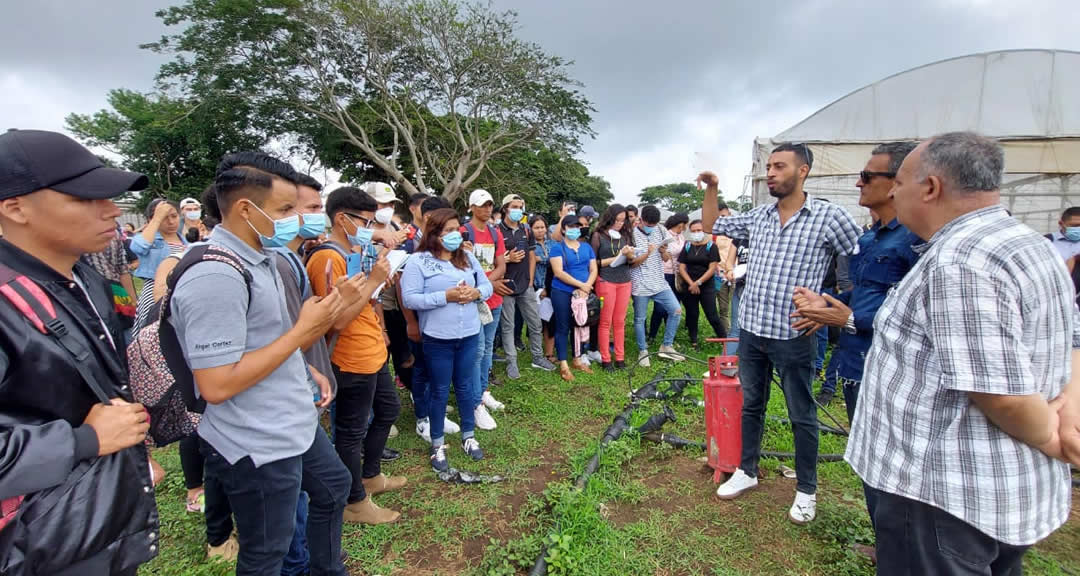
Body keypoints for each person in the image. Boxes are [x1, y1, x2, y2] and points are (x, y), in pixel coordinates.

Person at [840, 132, 1080, 573]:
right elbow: (1073, 337)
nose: (893, 191)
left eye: (901, 182)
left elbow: (999, 392)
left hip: (942, 495)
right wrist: (1070, 406)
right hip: (997, 490)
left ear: (930, 188)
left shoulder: (960, 262)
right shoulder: (1030, 244)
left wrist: (1054, 438)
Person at [0, 129, 157, 576]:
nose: (111, 210)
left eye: (109, 196)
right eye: (84, 198)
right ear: (15, 208)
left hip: (93, 522)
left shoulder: (85, 276)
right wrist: (84, 442)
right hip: (37, 543)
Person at [701, 142, 861, 525]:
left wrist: (829, 309)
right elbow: (711, 226)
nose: (770, 173)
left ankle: (807, 489)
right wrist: (711, 187)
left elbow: (862, 262)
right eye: (768, 166)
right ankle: (747, 470)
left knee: (801, 413)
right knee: (751, 404)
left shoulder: (829, 217)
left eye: (779, 166)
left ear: (802, 171)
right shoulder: (759, 216)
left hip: (794, 334)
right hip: (753, 330)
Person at [790, 142, 920, 545]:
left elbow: (918, 315)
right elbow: (862, 292)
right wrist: (826, 305)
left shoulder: (917, 242)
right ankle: (887, 544)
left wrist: (846, 318)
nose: (858, 182)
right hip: (855, 365)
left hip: (893, 370)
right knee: (869, 459)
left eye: (867, 176)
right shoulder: (870, 239)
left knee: (898, 465)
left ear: (900, 183)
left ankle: (905, 551)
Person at [306, 186, 404, 526]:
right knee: (350, 431)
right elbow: (337, 320)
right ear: (341, 219)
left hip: (371, 350)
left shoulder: (352, 250)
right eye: (365, 221)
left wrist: (377, 285)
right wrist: (373, 280)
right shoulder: (326, 258)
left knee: (389, 408)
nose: (371, 228)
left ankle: (370, 475)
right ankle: (354, 501)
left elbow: (362, 301)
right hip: (350, 357)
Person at [401, 207, 491, 471]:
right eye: (448, 231)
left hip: (469, 334)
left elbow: (486, 286)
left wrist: (475, 293)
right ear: (435, 233)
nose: (455, 235)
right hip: (438, 338)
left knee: (465, 388)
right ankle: (437, 443)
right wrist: (445, 297)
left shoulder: (467, 259)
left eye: (457, 230)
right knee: (439, 390)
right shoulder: (419, 262)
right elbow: (410, 298)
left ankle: (468, 436)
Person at [400, 196, 462, 442]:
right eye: (447, 226)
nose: (453, 231)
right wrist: (411, 322)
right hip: (417, 317)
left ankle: (436, 413)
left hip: (440, 319)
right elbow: (400, 288)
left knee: (439, 371)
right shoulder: (410, 244)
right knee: (422, 368)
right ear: (430, 219)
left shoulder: (444, 248)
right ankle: (422, 419)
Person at [461, 189, 507, 430]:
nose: (488, 209)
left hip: (493, 299)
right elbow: (458, 266)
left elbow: (501, 264)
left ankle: (483, 389)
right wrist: (484, 286)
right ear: (471, 207)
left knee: (488, 348)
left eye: (490, 204)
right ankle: (474, 402)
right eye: (482, 205)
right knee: (476, 350)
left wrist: (488, 284)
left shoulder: (495, 232)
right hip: (474, 301)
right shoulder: (462, 232)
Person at [498, 194, 557, 378]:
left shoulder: (526, 230)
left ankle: (537, 357)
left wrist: (530, 280)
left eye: (520, 206)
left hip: (526, 285)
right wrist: (507, 259)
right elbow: (491, 259)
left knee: (535, 323)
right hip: (505, 285)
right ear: (505, 208)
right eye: (514, 206)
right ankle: (511, 363)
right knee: (508, 326)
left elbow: (532, 256)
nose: (518, 210)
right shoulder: (497, 231)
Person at [631, 205, 684, 367]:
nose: (651, 228)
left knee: (676, 311)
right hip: (640, 282)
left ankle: (666, 345)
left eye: (653, 225)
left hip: (659, 282)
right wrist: (647, 253)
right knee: (640, 319)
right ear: (641, 220)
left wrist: (662, 251)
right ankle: (643, 351)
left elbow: (667, 258)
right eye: (648, 225)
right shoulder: (632, 234)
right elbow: (631, 263)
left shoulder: (661, 231)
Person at [548, 215, 598, 381]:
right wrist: (581, 285)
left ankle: (577, 358)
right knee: (563, 326)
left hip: (582, 293)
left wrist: (586, 286)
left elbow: (593, 269)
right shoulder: (557, 248)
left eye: (577, 226)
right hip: (562, 291)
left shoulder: (586, 247)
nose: (575, 230)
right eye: (571, 227)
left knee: (580, 324)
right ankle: (563, 364)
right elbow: (559, 272)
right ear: (563, 229)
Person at [130, 198, 187, 331]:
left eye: (174, 216)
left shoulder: (185, 242)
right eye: (164, 218)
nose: (171, 222)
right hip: (153, 293)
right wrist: (156, 219)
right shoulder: (151, 240)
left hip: (179, 293)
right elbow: (138, 247)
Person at [591, 204, 635, 371]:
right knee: (605, 321)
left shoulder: (625, 235)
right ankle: (606, 359)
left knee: (620, 321)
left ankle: (620, 357)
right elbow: (594, 262)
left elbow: (631, 261)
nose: (620, 223)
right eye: (617, 220)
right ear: (609, 218)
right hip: (606, 280)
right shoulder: (598, 235)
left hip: (624, 280)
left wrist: (630, 255)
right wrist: (617, 257)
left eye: (623, 220)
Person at [678, 219, 726, 348]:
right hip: (689, 285)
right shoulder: (688, 246)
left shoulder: (711, 246)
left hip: (706, 286)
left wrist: (698, 283)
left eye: (699, 230)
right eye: (693, 231)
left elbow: (712, 269)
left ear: (704, 231)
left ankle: (724, 341)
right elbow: (682, 267)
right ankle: (693, 341)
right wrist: (691, 283)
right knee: (692, 314)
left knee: (712, 315)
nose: (696, 233)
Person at [648, 213, 688, 343]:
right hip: (664, 273)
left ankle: (669, 335)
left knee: (674, 306)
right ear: (680, 223)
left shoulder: (681, 236)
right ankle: (652, 335)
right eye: (685, 224)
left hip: (677, 275)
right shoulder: (666, 234)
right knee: (660, 307)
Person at [530, 215, 557, 362]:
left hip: (552, 286)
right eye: (536, 228)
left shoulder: (552, 244)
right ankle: (538, 353)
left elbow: (556, 261)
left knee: (550, 321)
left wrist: (541, 259)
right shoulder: (530, 245)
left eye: (542, 227)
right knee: (538, 322)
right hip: (535, 287)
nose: (540, 230)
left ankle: (549, 353)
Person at [711, 202, 737, 337]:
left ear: (730, 214)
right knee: (723, 307)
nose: (722, 220)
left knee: (737, 307)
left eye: (724, 216)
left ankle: (737, 334)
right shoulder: (713, 235)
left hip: (736, 275)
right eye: (719, 217)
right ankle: (726, 335)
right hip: (719, 275)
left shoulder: (738, 233)